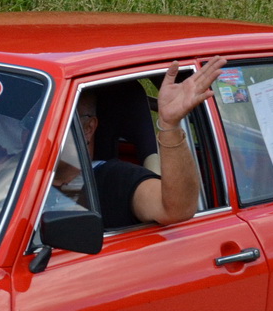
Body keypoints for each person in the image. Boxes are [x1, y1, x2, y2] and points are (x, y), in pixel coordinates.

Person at [54, 57, 226, 230]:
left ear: (88, 128)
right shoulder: (28, 176)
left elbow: (176, 209)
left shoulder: (116, 179)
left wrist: (170, 126)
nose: (31, 131)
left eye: (58, 119)